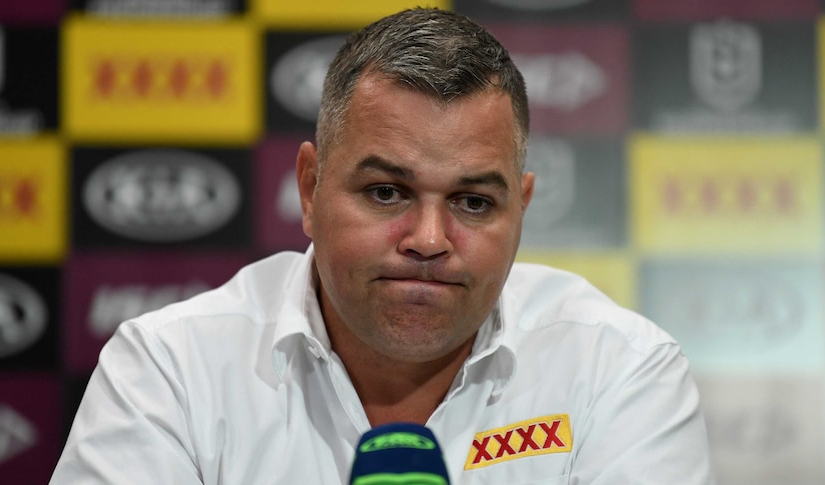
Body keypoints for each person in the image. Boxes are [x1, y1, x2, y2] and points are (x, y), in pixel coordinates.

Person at [51, 8, 715, 484]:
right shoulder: (170, 371)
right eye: (387, 193)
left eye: (473, 202)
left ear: (522, 207)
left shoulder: (619, 370)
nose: (429, 240)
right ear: (310, 190)